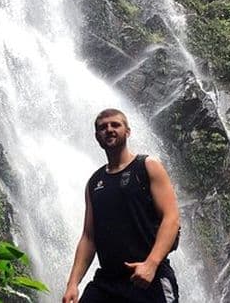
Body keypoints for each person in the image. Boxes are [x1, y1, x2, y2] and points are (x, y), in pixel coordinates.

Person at [62, 109, 181, 303]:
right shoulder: (94, 182)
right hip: (107, 283)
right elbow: (89, 236)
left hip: (148, 279)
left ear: (128, 131)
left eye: (115, 125)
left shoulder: (147, 166)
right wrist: (73, 283)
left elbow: (172, 218)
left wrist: (151, 264)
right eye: (103, 127)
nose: (109, 129)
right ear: (97, 137)